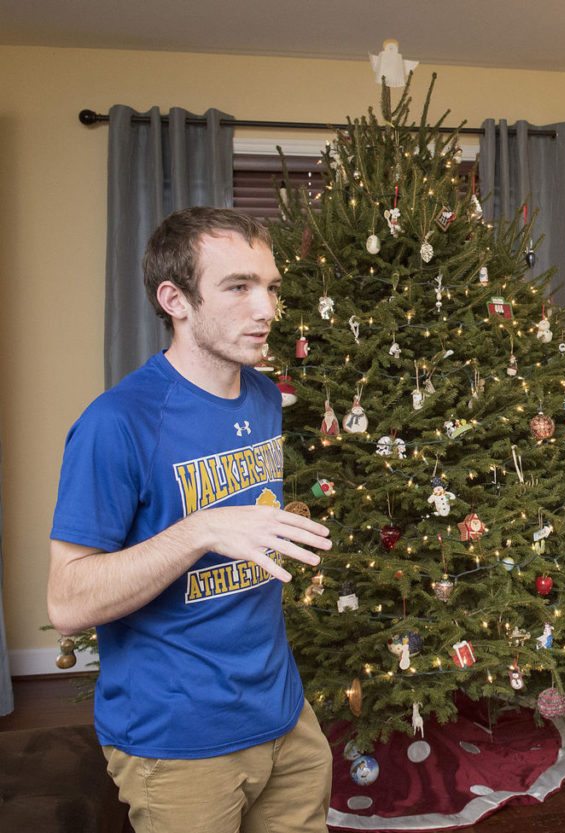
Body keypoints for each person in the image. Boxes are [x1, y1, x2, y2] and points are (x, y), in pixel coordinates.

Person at [47, 207, 335, 833]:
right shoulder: (115, 424)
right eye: (238, 287)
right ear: (174, 299)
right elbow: (67, 601)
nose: (266, 309)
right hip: (178, 742)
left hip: (285, 715)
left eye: (271, 288)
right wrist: (202, 528)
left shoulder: (261, 394)